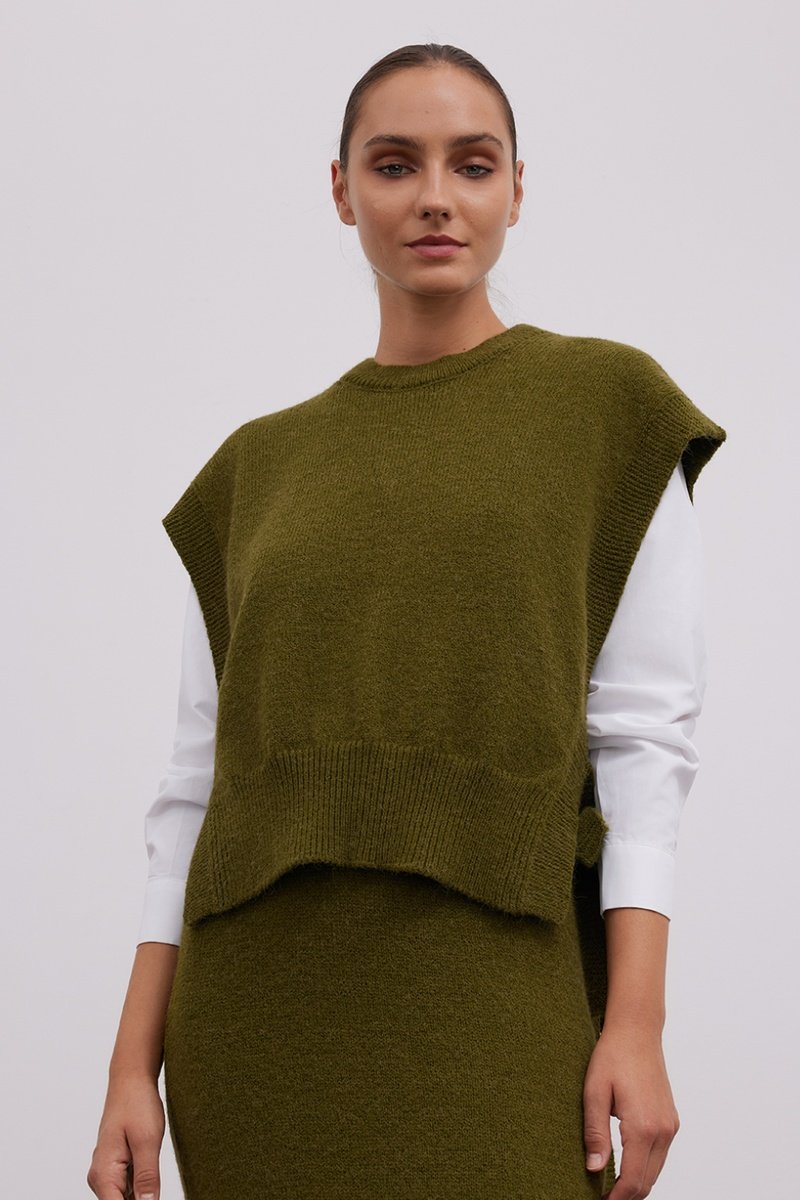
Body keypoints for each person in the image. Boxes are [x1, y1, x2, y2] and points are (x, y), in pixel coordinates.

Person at [88, 42, 727, 1200]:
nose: (435, 196)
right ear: (341, 191)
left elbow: (641, 745)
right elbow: (194, 786)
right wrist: (132, 1065)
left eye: (470, 165)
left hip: (502, 989)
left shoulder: (607, 411)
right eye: (394, 164)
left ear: (516, 189)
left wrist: (635, 1026)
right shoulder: (253, 471)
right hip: (255, 1024)